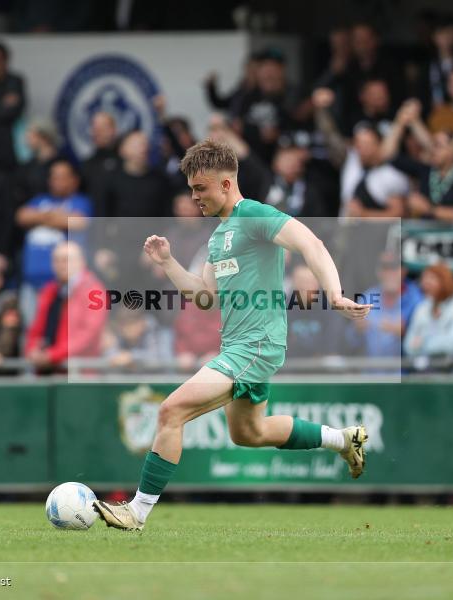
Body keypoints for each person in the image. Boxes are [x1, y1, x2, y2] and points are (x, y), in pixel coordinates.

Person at [92, 140, 372, 531]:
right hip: (240, 346)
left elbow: (312, 243)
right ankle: (344, 440)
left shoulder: (254, 214)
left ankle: (136, 512)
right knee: (250, 433)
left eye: (200, 188)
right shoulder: (218, 236)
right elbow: (205, 297)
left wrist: (334, 294)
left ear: (226, 184)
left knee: (170, 411)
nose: (194, 197)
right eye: (191, 189)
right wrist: (168, 262)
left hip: (256, 345)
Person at [16, 159, 91, 322]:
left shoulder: (80, 201)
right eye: (54, 177)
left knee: (58, 327)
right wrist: (54, 216)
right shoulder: (39, 199)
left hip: (61, 283)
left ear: (74, 180)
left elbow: (79, 221)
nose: (58, 181)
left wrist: (40, 217)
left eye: (63, 177)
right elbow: (21, 216)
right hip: (30, 281)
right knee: (30, 329)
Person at [25, 242, 107, 371]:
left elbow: (88, 334)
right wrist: (32, 349)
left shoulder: (94, 291)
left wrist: (53, 354)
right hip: (47, 369)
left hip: (78, 372)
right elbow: (37, 327)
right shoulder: (49, 290)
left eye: (66, 260)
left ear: (81, 262)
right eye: (56, 260)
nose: (61, 265)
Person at [403, 262, 453, 359]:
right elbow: (408, 346)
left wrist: (423, 342)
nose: (426, 283)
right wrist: (440, 340)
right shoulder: (422, 308)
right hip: (424, 367)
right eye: (424, 279)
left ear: (445, 281)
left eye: (431, 279)